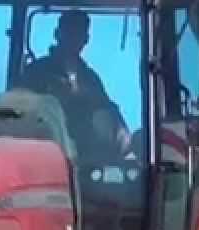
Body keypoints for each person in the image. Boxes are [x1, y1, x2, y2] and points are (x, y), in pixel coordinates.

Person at [14, 9, 132, 160]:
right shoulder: (36, 72)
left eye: (79, 34)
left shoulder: (91, 78)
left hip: (86, 159)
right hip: (45, 153)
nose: (74, 39)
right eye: (70, 32)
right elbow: (20, 112)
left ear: (86, 39)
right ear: (57, 34)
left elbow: (107, 114)